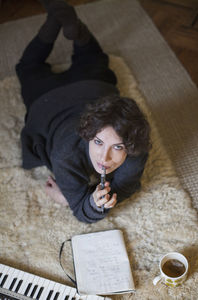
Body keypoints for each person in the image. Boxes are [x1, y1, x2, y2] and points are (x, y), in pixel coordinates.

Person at [16, 0, 151, 223]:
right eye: (98, 142)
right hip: (48, 101)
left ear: (132, 145)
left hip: (91, 88)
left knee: (92, 60)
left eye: (117, 147)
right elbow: (82, 212)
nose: (104, 158)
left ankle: (64, 22)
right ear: (87, 134)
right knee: (28, 67)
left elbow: (120, 190)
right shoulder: (66, 154)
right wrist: (79, 201)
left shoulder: (137, 148)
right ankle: (58, 20)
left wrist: (88, 201)